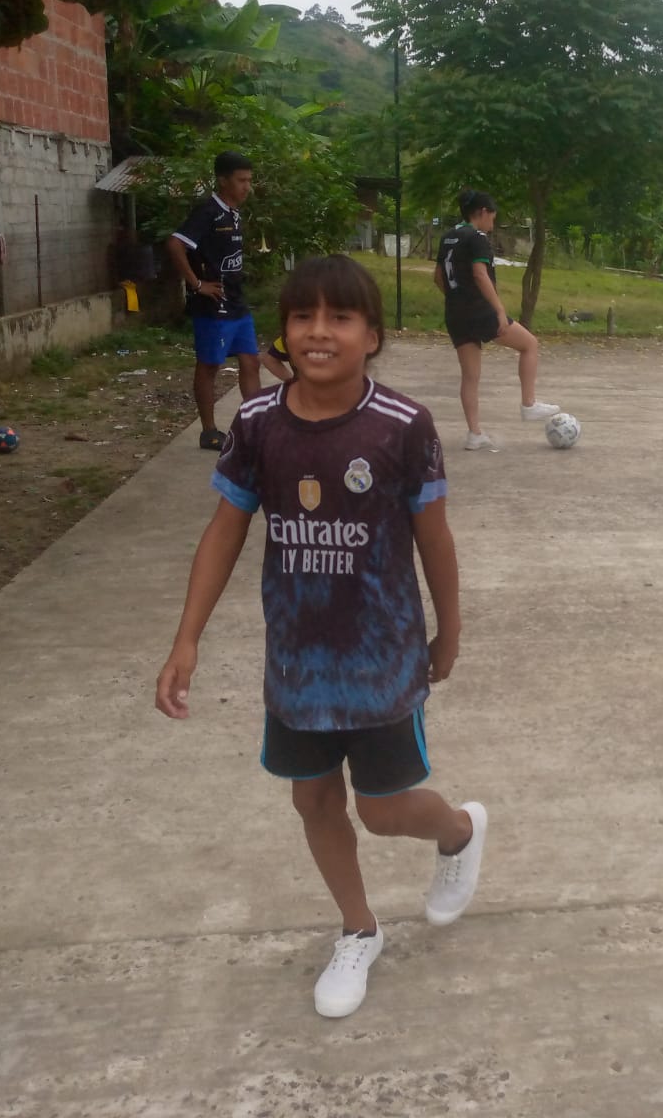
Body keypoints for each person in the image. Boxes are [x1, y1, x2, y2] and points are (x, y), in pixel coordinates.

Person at [155, 254, 488, 1019]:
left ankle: (459, 831)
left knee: (383, 809)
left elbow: (434, 536)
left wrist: (450, 629)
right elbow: (226, 529)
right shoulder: (258, 423)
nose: (318, 331)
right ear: (283, 332)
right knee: (312, 799)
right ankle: (359, 929)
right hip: (298, 662)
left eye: (340, 317)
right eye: (302, 316)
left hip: (382, 660)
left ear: (372, 335)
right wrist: (186, 639)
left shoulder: (402, 425)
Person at [434, 188, 559, 449]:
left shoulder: (448, 237)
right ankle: (528, 404)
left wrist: (457, 298)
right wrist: (499, 310)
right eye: (493, 216)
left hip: (455, 313)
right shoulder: (477, 237)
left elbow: (438, 278)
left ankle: (475, 434)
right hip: (479, 310)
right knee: (529, 344)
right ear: (482, 212)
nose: (493, 222)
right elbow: (480, 274)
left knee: (470, 376)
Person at [168, 151, 263, 451]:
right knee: (209, 366)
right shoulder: (207, 212)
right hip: (213, 306)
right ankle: (209, 431)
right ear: (223, 181)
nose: (247, 187)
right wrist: (197, 284)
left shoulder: (234, 214)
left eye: (249, 180)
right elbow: (175, 244)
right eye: (241, 180)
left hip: (237, 302)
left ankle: (257, 428)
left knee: (251, 361)